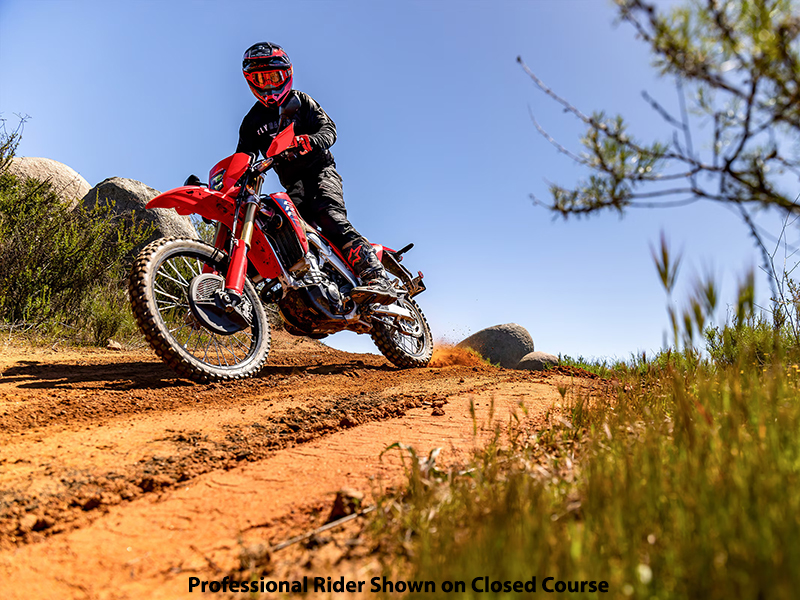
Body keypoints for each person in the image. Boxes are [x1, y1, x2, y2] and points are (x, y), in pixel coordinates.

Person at [235, 41, 396, 304]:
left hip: (320, 171)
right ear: (250, 82)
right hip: (293, 186)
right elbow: (243, 159)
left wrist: (309, 141)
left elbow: (329, 130)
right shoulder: (251, 122)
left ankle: (375, 276)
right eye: (260, 79)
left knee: (328, 214)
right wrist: (229, 183)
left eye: (273, 77)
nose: (268, 85)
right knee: (283, 231)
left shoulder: (302, 102)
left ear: (286, 75)